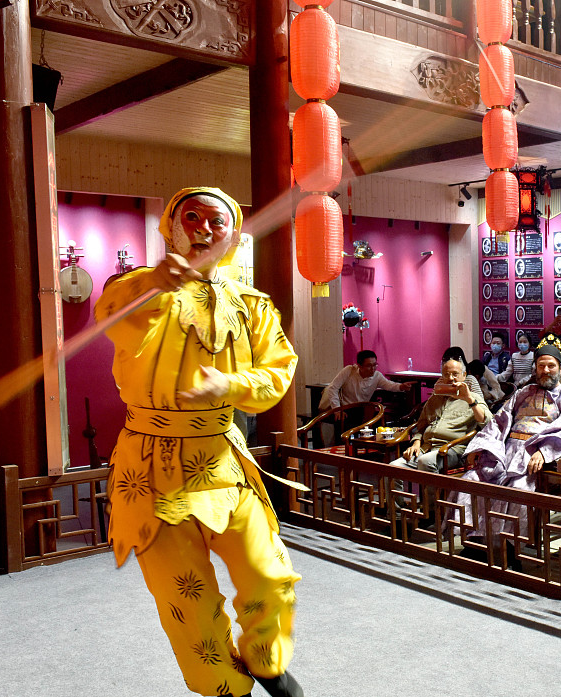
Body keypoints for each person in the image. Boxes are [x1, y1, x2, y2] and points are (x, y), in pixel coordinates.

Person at [94, 187, 303, 697]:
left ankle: (265, 659)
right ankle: (224, 687)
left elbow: (278, 372)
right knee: (185, 598)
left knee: (269, 573)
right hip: (151, 467)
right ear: (170, 226)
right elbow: (110, 314)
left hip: (221, 459)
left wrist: (229, 386)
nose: (206, 231)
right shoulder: (139, 292)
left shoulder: (252, 306)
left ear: (233, 236)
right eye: (193, 219)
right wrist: (153, 282)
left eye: (217, 222)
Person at [450, 335, 561, 558]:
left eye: (551, 365)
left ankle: (511, 550)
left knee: (518, 490)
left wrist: (545, 451)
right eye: (541, 365)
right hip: (505, 452)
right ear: (535, 368)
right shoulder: (522, 393)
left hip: (533, 458)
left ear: (560, 367)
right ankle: (476, 543)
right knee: (472, 481)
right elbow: (499, 421)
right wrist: (481, 447)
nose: (546, 370)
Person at [389, 357, 488, 474]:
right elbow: (421, 426)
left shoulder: (473, 398)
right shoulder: (435, 399)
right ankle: (397, 493)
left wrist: (470, 401)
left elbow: (487, 423)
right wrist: (416, 443)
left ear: (464, 375)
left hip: (452, 451)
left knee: (425, 462)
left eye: (455, 374)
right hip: (426, 448)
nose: (451, 378)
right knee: (393, 467)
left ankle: (433, 493)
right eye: (446, 375)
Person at [319, 350, 414, 412]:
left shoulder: (377, 376)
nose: (373, 369)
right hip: (345, 408)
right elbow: (333, 388)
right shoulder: (349, 371)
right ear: (359, 366)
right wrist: (337, 409)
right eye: (369, 366)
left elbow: (389, 385)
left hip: (361, 409)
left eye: (375, 365)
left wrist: (401, 386)